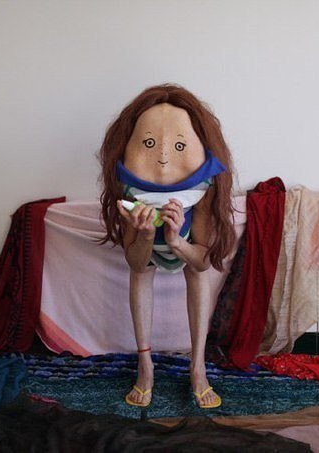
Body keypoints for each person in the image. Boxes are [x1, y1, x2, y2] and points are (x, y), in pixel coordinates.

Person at [98, 84, 236, 409]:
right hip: (144, 256)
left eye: (179, 146)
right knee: (141, 274)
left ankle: (198, 366)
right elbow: (136, 263)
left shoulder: (202, 191)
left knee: (196, 275)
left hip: (188, 250)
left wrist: (176, 241)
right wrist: (146, 235)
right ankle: (144, 365)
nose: (162, 158)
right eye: (148, 143)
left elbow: (201, 262)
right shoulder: (129, 191)